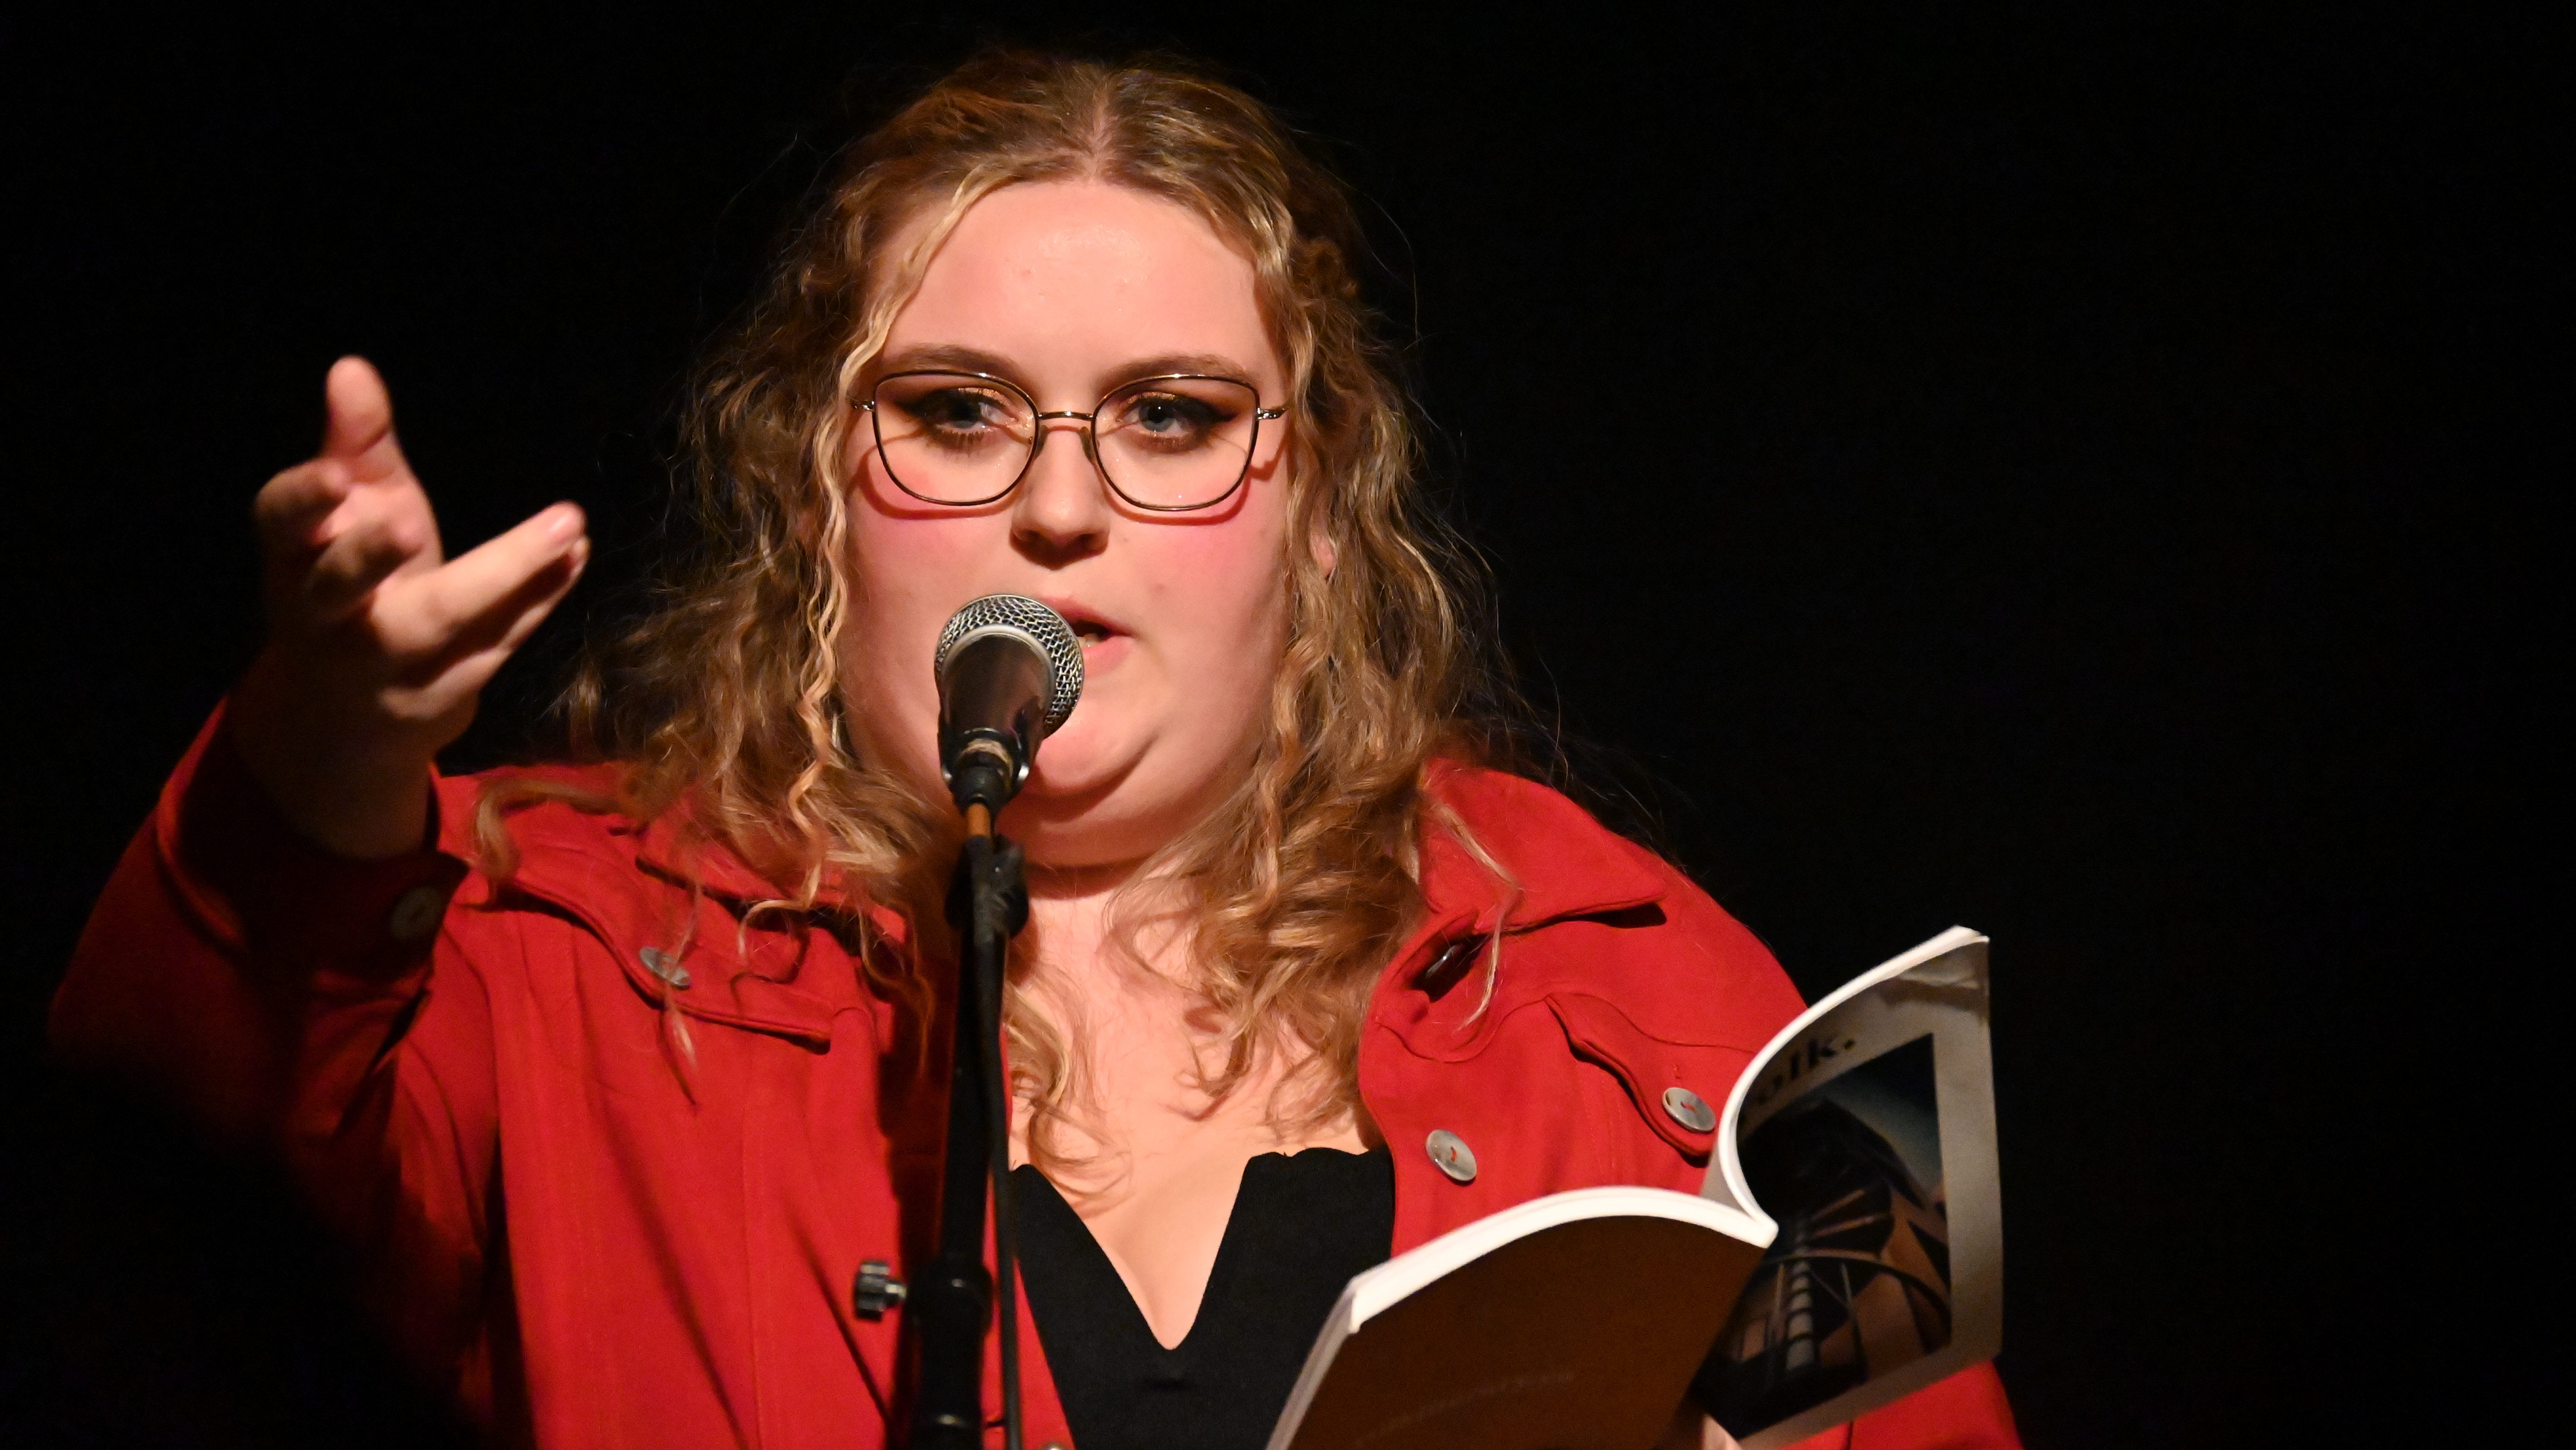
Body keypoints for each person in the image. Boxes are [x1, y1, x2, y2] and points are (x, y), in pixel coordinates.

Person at [54, 51, 2019, 1450]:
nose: (1059, 512)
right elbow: (150, 1217)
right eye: (957, 412)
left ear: (1322, 515)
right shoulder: (557, 952)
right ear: (818, 494)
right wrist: (318, 754)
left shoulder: (1628, 982)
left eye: (1171, 418)